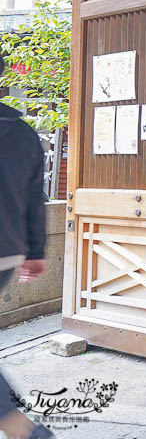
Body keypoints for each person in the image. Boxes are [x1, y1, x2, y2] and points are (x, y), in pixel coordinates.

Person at [0, 55, 53, 439]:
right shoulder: (22, 132)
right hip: (7, 252)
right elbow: (35, 198)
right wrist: (35, 251)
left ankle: (21, 428)